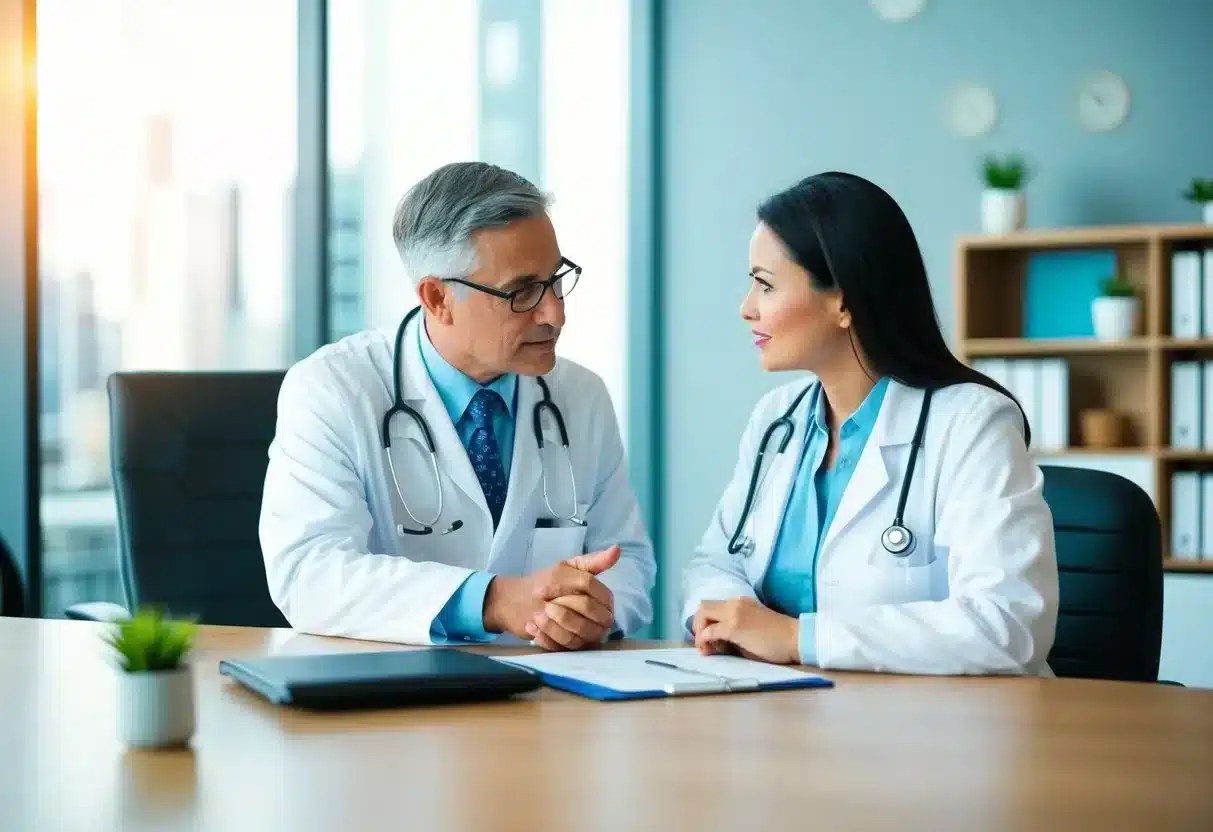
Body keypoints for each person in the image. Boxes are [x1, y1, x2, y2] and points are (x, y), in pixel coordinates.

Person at [260, 161, 655, 650]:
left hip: (550, 698)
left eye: (555, 280)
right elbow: (309, 574)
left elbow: (628, 560)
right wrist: (493, 601)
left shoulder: (581, 395)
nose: (555, 312)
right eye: (523, 291)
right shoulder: (332, 389)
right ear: (437, 297)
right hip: (394, 703)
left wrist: (590, 610)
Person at [682, 171, 1059, 676]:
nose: (746, 308)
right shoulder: (778, 420)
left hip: (939, 736)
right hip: (782, 717)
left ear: (842, 300)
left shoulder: (971, 424)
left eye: (765, 285)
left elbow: (1006, 624)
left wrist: (798, 638)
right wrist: (726, 619)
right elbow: (716, 563)